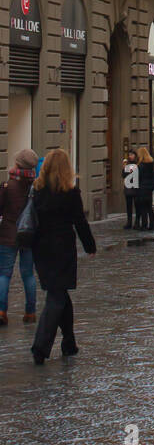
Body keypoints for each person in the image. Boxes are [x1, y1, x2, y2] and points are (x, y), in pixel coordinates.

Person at [30, 148, 96, 364]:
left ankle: (69, 342)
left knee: (60, 293)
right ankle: (40, 347)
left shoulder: (38, 190)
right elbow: (80, 222)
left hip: (41, 250)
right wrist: (90, 246)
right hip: (62, 250)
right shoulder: (70, 192)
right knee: (57, 297)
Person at [0, 149, 39, 326]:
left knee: (4, 274)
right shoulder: (36, 186)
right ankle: (30, 312)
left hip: (8, 234)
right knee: (28, 274)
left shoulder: (9, 185)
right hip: (29, 235)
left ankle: (1, 311)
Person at [133, 146, 154, 231]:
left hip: (142, 188)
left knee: (143, 207)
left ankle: (144, 225)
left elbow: (137, 178)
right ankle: (153, 225)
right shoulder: (151, 164)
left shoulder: (140, 166)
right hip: (149, 188)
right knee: (150, 208)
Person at [121, 149, 139, 228]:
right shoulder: (127, 164)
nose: (130, 156)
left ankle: (137, 222)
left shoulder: (138, 164)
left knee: (137, 206)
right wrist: (124, 168)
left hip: (136, 187)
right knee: (129, 206)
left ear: (135, 155)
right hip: (128, 187)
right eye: (129, 155)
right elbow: (123, 175)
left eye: (132, 154)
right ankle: (129, 222)